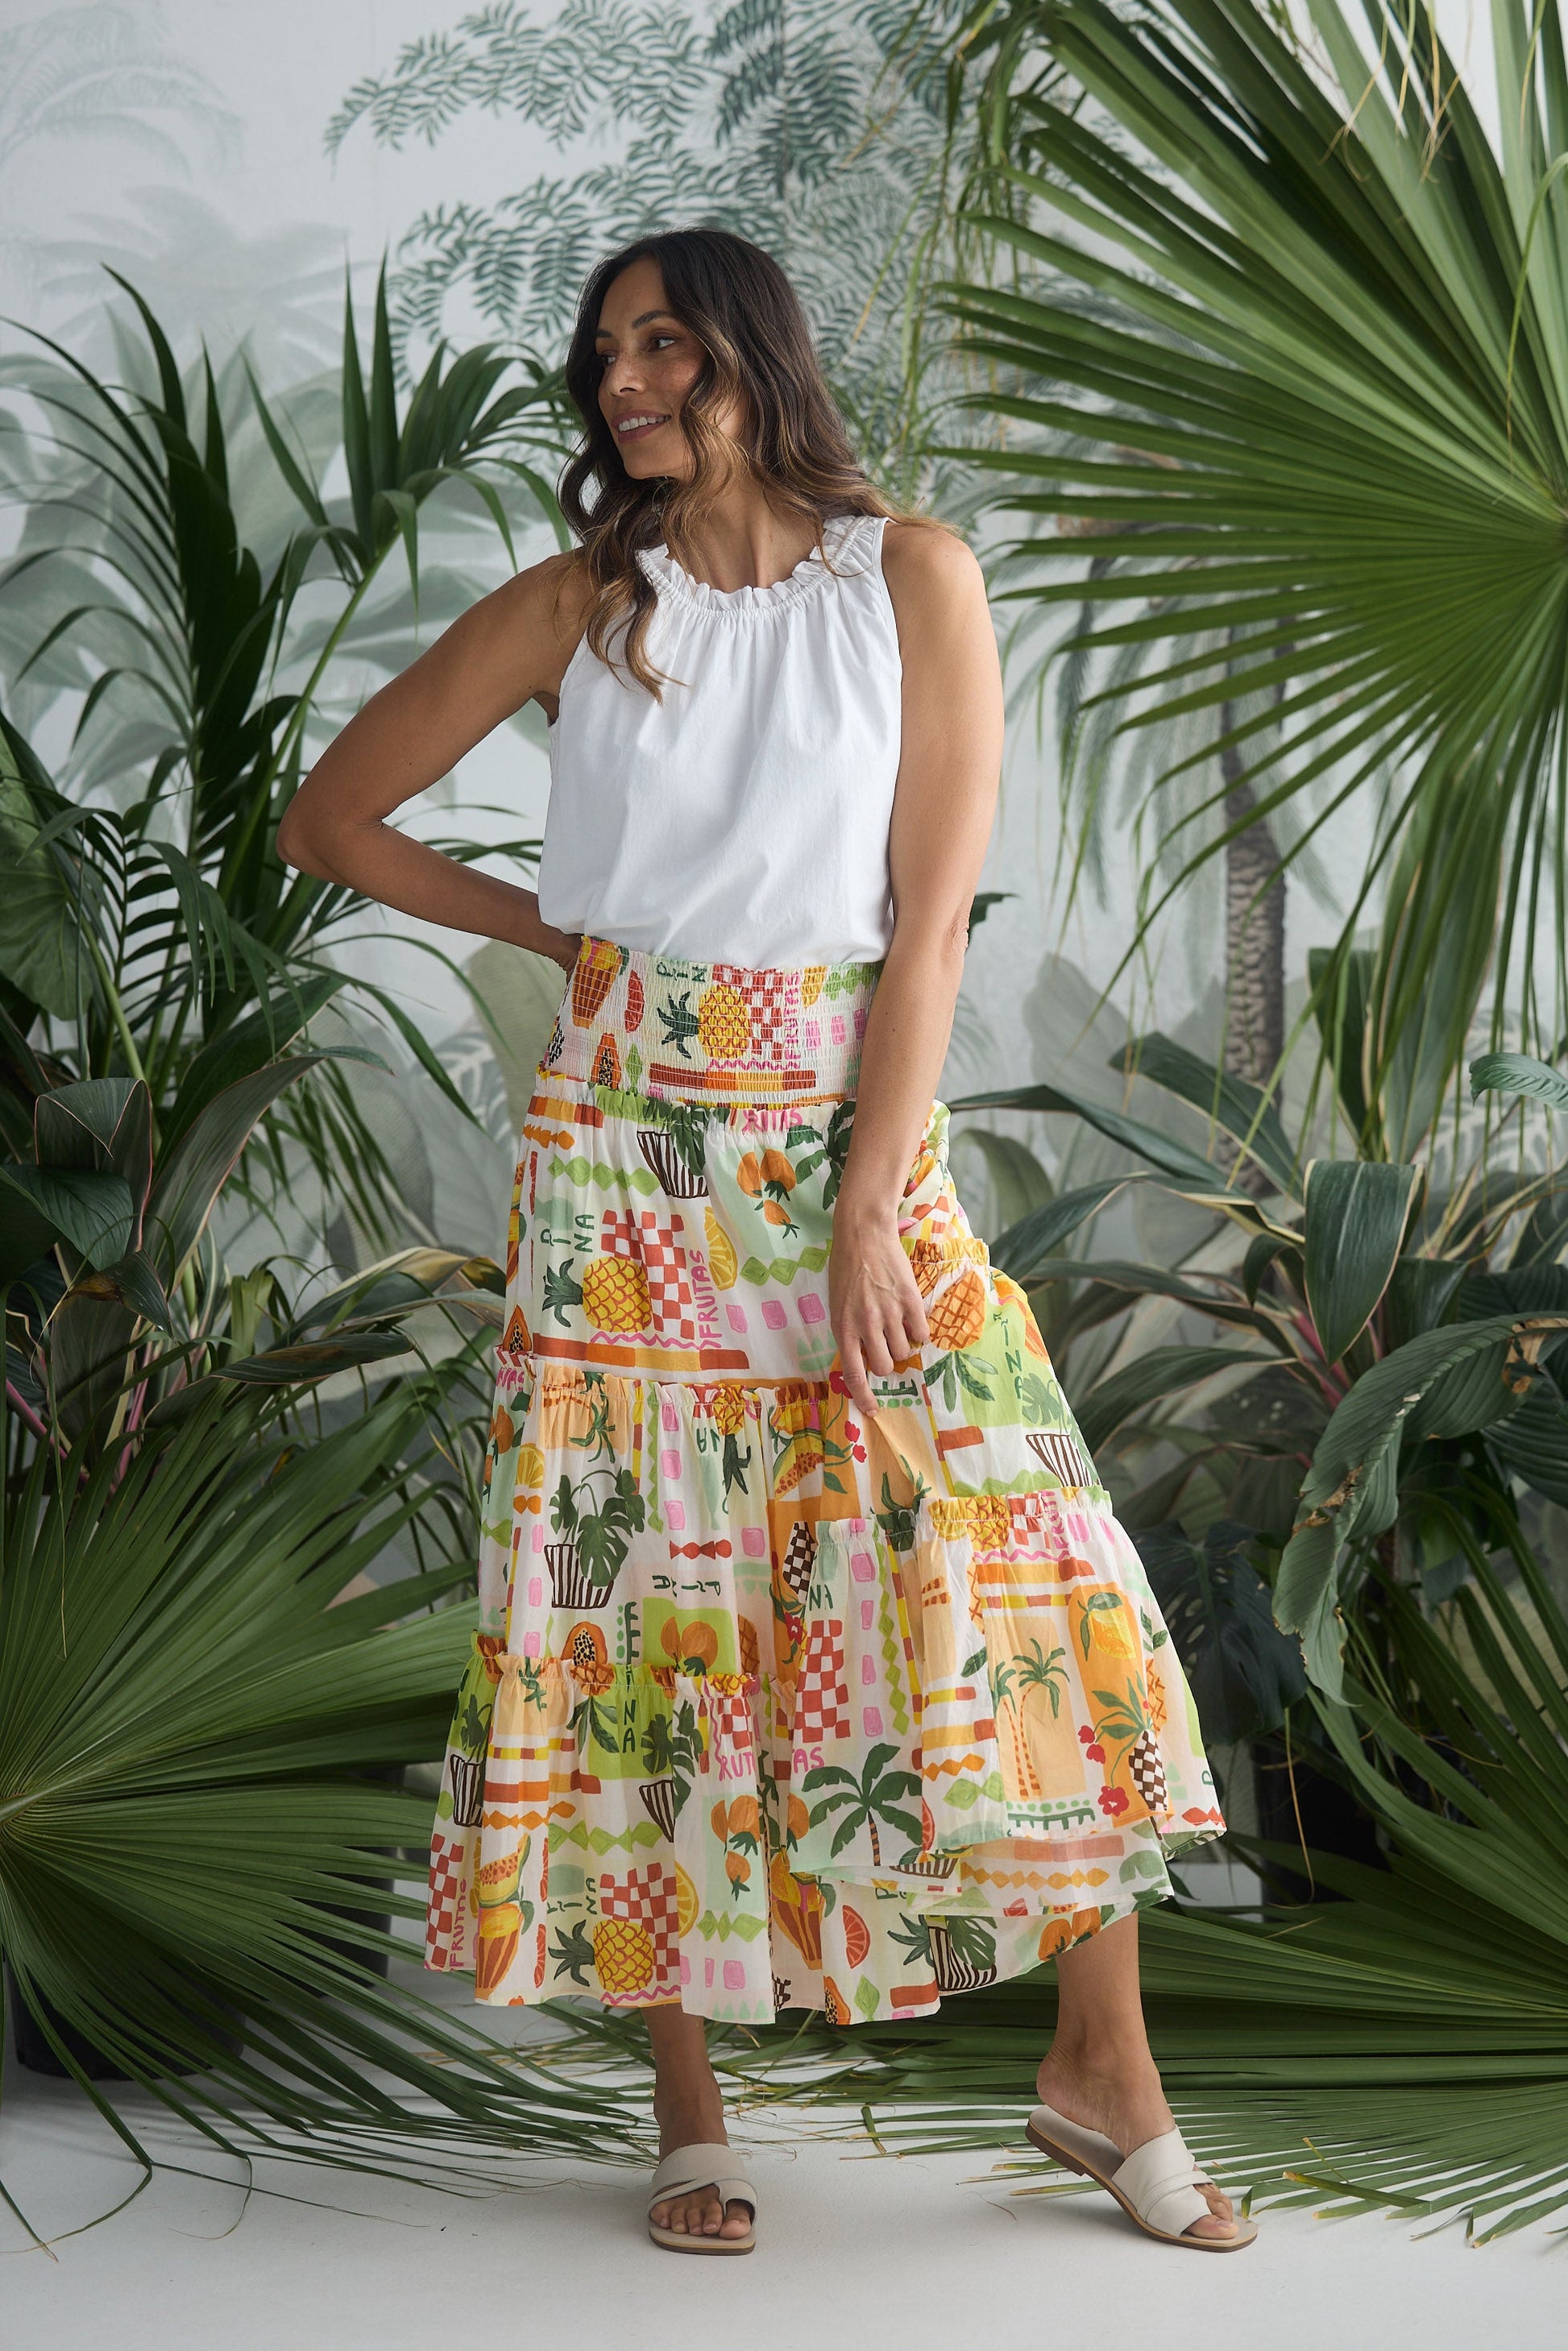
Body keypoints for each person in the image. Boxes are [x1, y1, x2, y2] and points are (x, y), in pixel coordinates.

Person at [276, 226, 1252, 2255]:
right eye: (603, 353)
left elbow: (924, 926)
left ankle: (1103, 2069)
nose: (622, 379)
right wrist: (553, 933)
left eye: (659, 341)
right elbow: (331, 819)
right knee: (645, 1603)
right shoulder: (578, 602)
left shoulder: (912, 580)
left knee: (1009, 1546)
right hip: (622, 1162)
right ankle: (689, 2096)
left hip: (840, 1123)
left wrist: (876, 1197)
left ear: (751, 351)